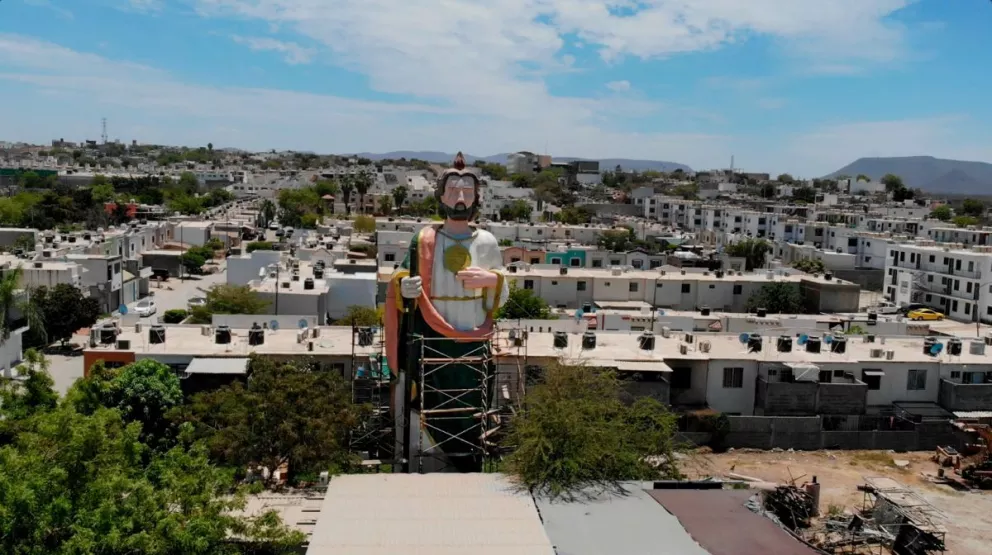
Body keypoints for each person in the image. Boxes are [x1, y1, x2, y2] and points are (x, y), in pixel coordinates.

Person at [384, 152, 509, 472]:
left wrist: (491, 280)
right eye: (453, 189)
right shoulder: (424, 239)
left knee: (469, 402)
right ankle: (430, 464)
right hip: (432, 337)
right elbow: (401, 277)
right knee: (431, 398)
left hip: (473, 338)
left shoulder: (487, 241)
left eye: (467, 190)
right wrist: (403, 286)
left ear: (477, 198)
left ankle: (467, 463)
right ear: (441, 196)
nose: (460, 197)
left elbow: (503, 291)